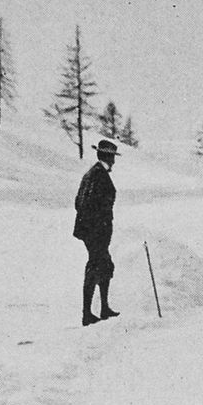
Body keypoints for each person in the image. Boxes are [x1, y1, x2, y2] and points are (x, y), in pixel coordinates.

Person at [73, 138, 121, 326]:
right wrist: (97, 225)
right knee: (96, 266)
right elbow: (87, 204)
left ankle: (103, 308)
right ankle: (87, 314)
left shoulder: (92, 174)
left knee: (105, 265)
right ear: (108, 157)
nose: (114, 161)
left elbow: (78, 201)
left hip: (92, 230)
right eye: (112, 157)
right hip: (96, 232)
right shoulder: (98, 175)